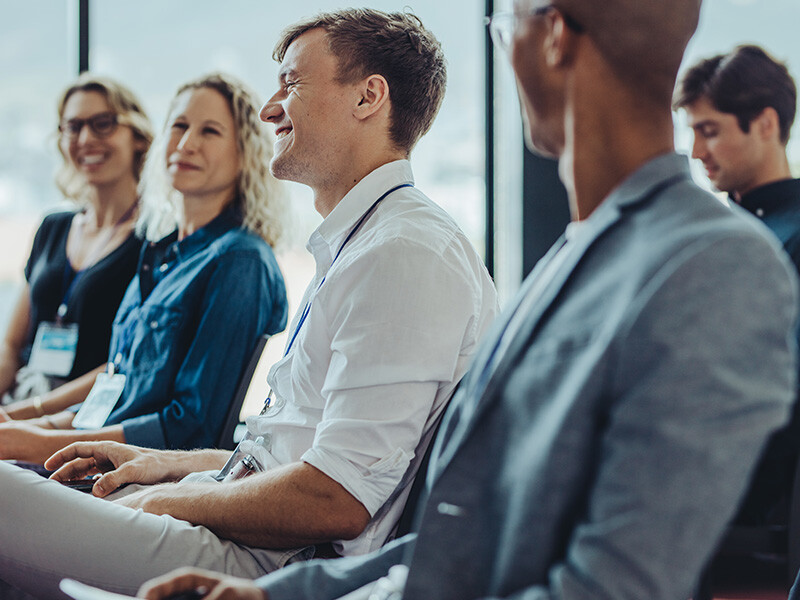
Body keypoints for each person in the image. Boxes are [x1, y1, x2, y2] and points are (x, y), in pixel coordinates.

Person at [135, 1, 800, 599]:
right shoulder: (576, 255)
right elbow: (466, 536)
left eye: (503, 26)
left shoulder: (716, 265)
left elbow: (613, 585)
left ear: (554, 37)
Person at [0, 9, 497, 598]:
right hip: (242, 526)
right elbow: (291, 452)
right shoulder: (363, 244)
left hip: (261, 562)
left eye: (292, 82)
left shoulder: (404, 253)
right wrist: (170, 467)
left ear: (369, 98)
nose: (269, 107)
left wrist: (177, 500)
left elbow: (336, 500)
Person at [0, 72, 288, 463]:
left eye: (210, 132)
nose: (186, 144)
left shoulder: (240, 260)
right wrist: (30, 428)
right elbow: (115, 384)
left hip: (143, 481)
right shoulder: (162, 254)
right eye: (180, 126)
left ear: (245, 153)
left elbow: (190, 427)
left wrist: (31, 442)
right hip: (90, 457)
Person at [674, 44, 800, 586]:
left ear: (765, 124)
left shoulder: (788, 241)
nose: (697, 151)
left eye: (710, 130)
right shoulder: (712, 235)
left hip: (745, 510)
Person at [0, 74, 152, 417]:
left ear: (138, 136)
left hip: (80, 418)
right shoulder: (53, 227)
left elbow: (124, 362)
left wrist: (23, 417)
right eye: (73, 127)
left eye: (103, 124)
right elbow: (11, 345)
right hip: (20, 405)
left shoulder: (153, 241)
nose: (86, 139)